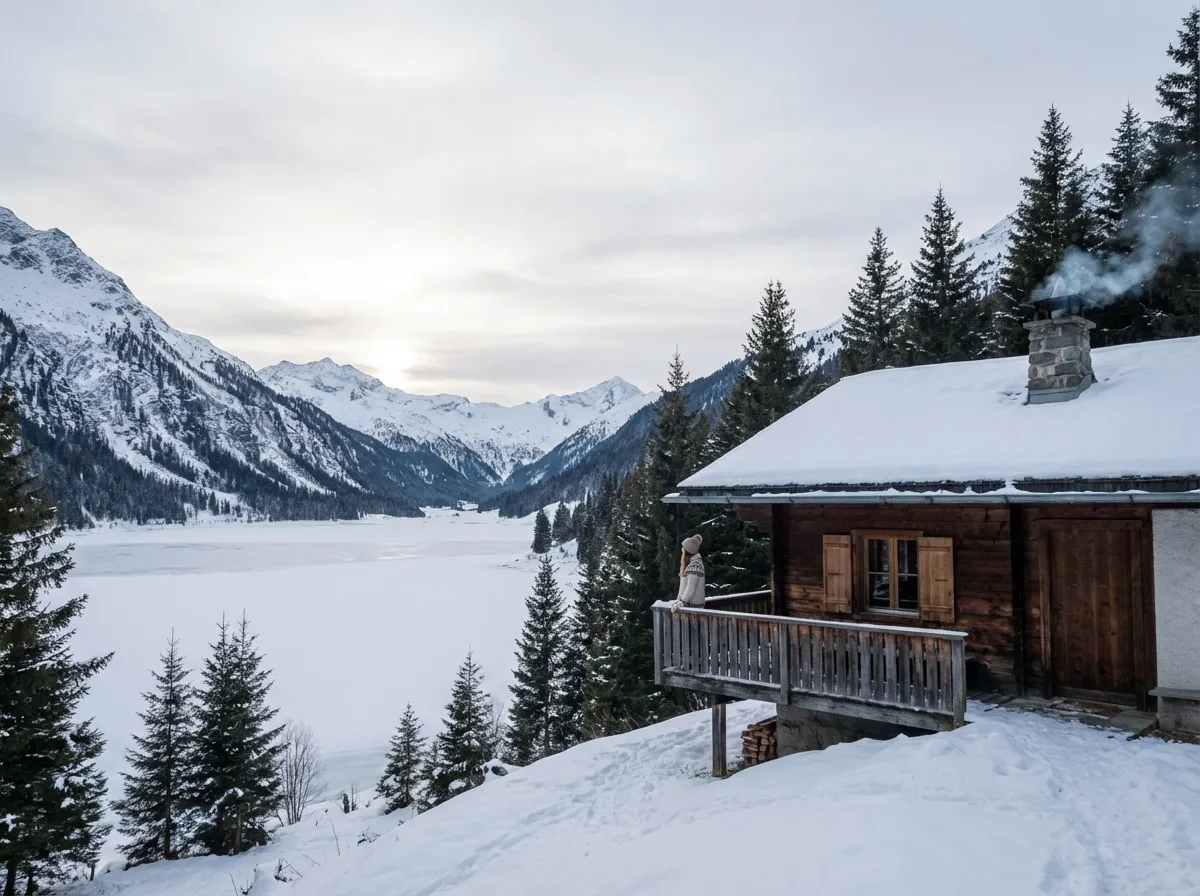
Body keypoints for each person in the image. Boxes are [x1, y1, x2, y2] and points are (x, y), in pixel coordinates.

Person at [671, 534, 705, 610]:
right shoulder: (691, 564)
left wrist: (681, 602)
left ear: (687, 552)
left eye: (683, 550)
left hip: (693, 610)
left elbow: (690, 588)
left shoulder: (695, 566)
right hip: (689, 608)